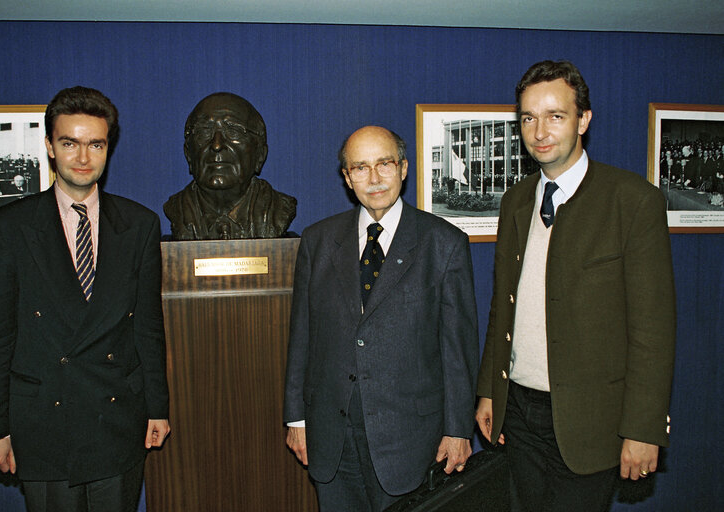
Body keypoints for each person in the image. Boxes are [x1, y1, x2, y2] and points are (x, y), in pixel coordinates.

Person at [475, 60, 676, 512]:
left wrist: (643, 429)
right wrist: (490, 388)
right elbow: (501, 308)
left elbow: (653, 331)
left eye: (555, 115)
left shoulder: (632, 201)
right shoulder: (516, 201)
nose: (539, 130)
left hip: (591, 421)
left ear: (583, 119)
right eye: (528, 117)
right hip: (520, 413)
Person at [0, 86, 171, 512]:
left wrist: (158, 407)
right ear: (49, 146)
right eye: (70, 143)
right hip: (43, 417)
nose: (83, 158)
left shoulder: (139, 224)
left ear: (108, 148)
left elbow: (148, 325)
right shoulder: (9, 228)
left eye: (95, 144)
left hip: (117, 414)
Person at [283, 125, 479, 511]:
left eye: (384, 164)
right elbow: (302, 335)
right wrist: (296, 419)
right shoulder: (318, 241)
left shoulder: (444, 244)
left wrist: (458, 430)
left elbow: (458, 349)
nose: (373, 178)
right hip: (332, 436)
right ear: (346, 177)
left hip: (410, 440)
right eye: (360, 167)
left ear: (404, 168)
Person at [163, 92, 296, 239]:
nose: (217, 145)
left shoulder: (277, 211)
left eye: (234, 131)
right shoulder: (178, 211)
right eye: (204, 131)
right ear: (188, 154)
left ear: (260, 154)